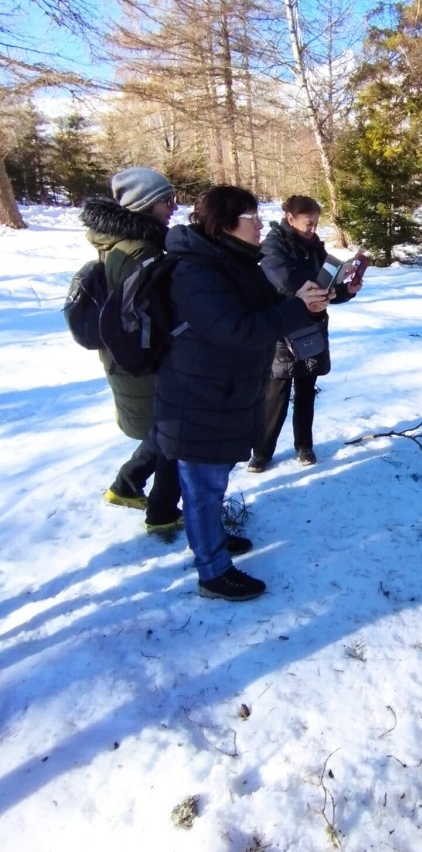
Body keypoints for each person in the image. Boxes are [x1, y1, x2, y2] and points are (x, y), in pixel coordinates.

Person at [152, 185, 330, 601]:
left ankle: (210, 539)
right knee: (202, 487)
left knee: (211, 484)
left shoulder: (233, 259)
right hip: (197, 396)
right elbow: (238, 329)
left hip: (223, 391)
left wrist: (323, 297)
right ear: (226, 222)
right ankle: (212, 573)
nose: (260, 223)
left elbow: (274, 306)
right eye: (252, 216)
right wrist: (297, 307)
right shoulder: (196, 270)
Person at [82, 166, 182, 533]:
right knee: (175, 431)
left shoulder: (121, 243)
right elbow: (153, 312)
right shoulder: (140, 250)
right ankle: (162, 514)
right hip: (142, 358)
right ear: (145, 203)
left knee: (162, 428)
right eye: (167, 200)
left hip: (128, 355)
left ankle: (126, 485)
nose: (173, 206)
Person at [248, 195, 364, 473]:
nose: (313, 229)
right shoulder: (273, 247)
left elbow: (326, 287)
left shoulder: (315, 247)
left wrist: (345, 290)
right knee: (275, 393)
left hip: (312, 327)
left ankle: (304, 445)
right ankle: (262, 451)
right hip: (282, 328)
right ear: (290, 219)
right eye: (308, 223)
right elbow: (289, 283)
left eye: (316, 223)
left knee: (306, 390)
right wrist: (325, 284)